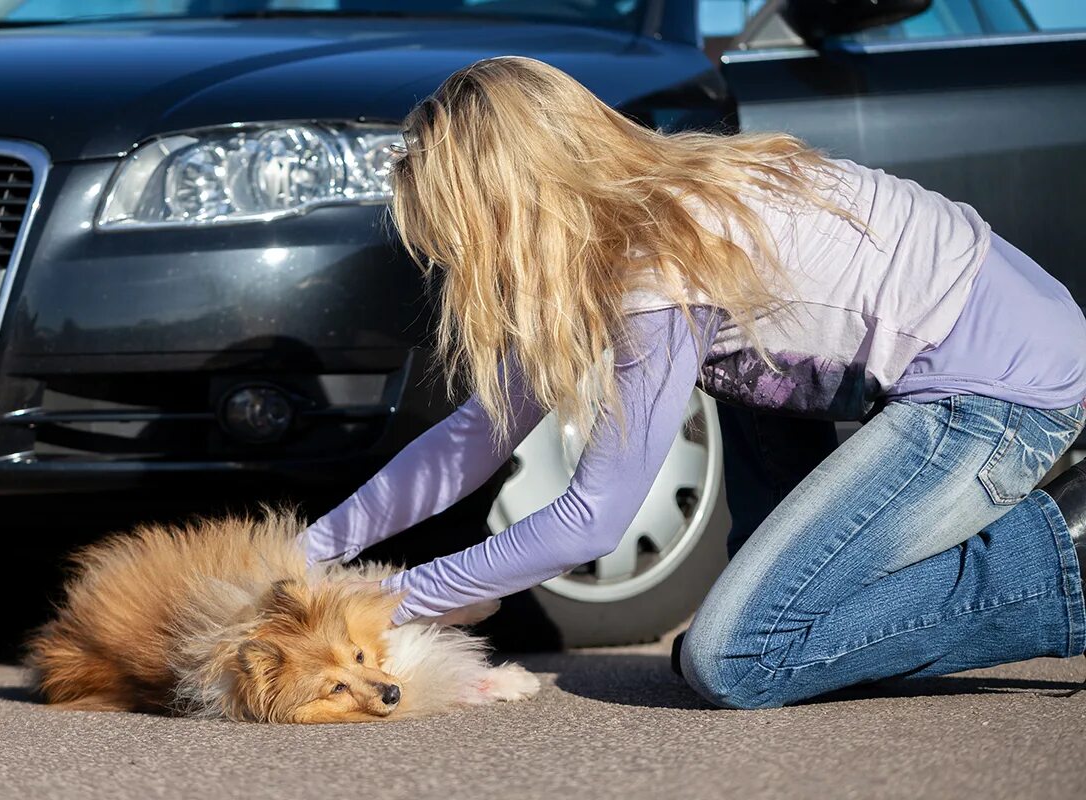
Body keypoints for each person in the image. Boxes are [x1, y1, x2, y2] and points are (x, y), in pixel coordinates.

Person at [301, 56, 1086, 709]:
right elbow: (478, 434)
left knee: (737, 660)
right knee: (750, 630)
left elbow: (589, 521)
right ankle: (794, 603)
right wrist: (309, 553)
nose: (461, 263)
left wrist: (390, 602)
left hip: (1001, 394)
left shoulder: (657, 265)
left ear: (517, 205)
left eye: (464, 236)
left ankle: (1067, 559)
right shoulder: (630, 218)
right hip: (967, 361)